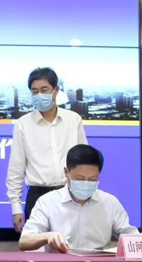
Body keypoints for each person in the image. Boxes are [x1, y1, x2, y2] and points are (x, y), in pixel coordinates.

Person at [19, 144, 142, 253]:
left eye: (92, 179)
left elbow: (131, 237)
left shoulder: (109, 202)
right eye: (80, 178)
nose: (86, 183)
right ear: (66, 172)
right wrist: (47, 237)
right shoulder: (48, 201)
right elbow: (24, 241)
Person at [6, 67, 88, 233]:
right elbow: (16, 168)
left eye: (44, 90)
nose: (39, 95)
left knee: (73, 245)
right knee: (38, 247)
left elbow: (85, 162)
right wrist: (16, 207)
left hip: (70, 194)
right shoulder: (23, 124)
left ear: (56, 90)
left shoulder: (73, 120)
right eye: (34, 91)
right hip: (38, 196)